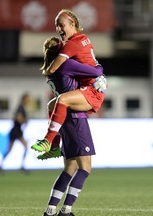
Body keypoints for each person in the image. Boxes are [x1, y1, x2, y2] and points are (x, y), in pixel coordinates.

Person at [40, 37, 102, 216]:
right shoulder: (66, 65)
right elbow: (95, 70)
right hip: (75, 117)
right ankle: (66, 210)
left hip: (64, 119)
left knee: (69, 168)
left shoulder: (50, 70)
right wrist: (98, 70)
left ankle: (50, 209)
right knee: (85, 168)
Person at [31, 9, 106, 153]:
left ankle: (48, 141)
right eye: (56, 25)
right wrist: (100, 72)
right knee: (52, 104)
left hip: (91, 90)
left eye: (61, 25)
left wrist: (46, 71)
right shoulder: (83, 38)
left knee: (62, 100)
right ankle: (54, 145)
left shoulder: (70, 45)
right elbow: (95, 67)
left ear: (72, 24)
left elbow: (52, 69)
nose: (58, 29)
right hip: (93, 86)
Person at [0, 93, 30, 174]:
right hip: (16, 131)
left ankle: (0, 167)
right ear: (24, 99)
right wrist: (24, 120)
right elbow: (18, 118)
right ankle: (22, 167)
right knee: (25, 146)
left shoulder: (21, 107)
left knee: (9, 150)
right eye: (28, 99)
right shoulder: (20, 108)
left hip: (16, 130)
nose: (29, 101)